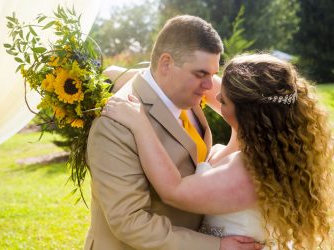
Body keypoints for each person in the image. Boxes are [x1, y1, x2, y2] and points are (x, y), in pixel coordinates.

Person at [102, 53, 334, 249]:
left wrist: (139, 123)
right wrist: (114, 74)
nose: (215, 98)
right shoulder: (262, 142)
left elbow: (173, 190)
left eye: (223, 100)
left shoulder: (250, 171)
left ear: (247, 113)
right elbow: (189, 80)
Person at [85, 15, 263, 250]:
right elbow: (130, 222)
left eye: (212, 74)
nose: (211, 87)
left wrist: (117, 73)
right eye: (201, 74)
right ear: (166, 63)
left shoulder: (185, 93)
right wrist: (216, 246)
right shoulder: (116, 124)